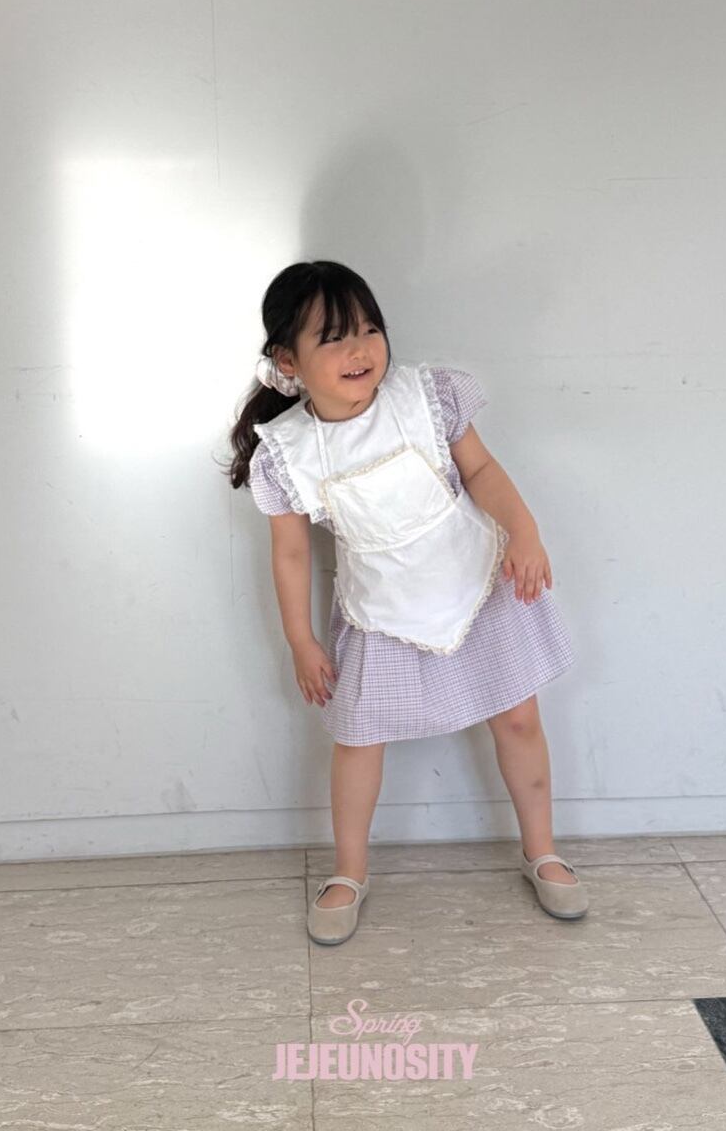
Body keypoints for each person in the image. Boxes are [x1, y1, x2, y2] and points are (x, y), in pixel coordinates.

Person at [226, 259, 588, 944]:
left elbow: (480, 469)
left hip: (480, 587)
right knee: (358, 740)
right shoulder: (288, 452)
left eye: (370, 328)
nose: (359, 349)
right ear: (288, 361)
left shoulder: (425, 396)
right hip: (381, 615)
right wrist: (300, 639)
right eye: (334, 337)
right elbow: (291, 553)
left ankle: (542, 850)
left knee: (518, 719)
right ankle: (349, 871)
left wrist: (525, 531)